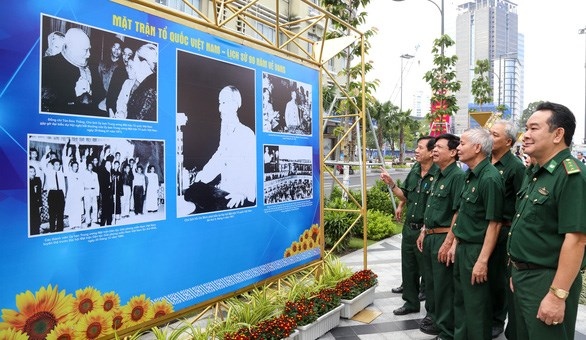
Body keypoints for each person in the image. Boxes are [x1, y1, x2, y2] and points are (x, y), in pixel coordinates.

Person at [508, 101, 586, 340]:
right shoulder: (537, 174)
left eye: (534, 128)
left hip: (547, 281)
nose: (526, 135)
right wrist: (517, 269)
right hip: (523, 277)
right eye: (526, 129)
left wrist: (557, 295)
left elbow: (577, 240)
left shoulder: (570, 175)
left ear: (558, 134)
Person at [451, 127, 504, 340]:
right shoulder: (470, 175)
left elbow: (495, 224)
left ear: (477, 147)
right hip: (464, 247)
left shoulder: (489, 178)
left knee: (476, 308)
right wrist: (454, 243)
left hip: (477, 250)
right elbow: (464, 215)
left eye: (462, 143)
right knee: (461, 302)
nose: (458, 147)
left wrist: (482, 261)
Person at [380, 136, 439, 318]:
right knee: (409, 267)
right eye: (417, 147)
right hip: (409, 229)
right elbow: (404, 195)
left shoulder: (439, 174)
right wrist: (391, 184)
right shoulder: (415, 170)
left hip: (427, 231)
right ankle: (411, 303)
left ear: (431, 152)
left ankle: (432, 311)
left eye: (421, 148)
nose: (417, 150)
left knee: (428, 274)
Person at [417, 133, 466, 339]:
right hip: (430, 235)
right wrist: (423, 231)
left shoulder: (457, 176)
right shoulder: (439, 174)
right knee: (431, 282)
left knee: (444, 286)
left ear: (453, 152)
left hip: (443, 236)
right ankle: (434, 318)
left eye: (440, 147)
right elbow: (432, 206)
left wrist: (449, 241)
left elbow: (458, 211)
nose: (434, 150)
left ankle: (446, 330)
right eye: (434, 147)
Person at [488, 120, 526, 339]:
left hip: (503, 229)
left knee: (499, 278)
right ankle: (487, 314)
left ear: (508, 141)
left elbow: (520, 202)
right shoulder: (486, 161)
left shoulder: (515, 167)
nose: (489, 137)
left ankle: (497, 320)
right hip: (485, 228)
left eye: (494, 135)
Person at [191, 85, 256, 211]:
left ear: (235, 104)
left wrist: (242, 193)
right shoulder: (225, 132)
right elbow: (219, 157)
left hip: (239, 199)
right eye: (219, 103)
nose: (220, 108)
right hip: (225, 193)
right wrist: (201, 176)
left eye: (224, 102)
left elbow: (251, 168)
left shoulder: (246, 133)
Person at [41, 28, 105, 116]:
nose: (89, 54)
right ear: (70, 48)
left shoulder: (92, 67)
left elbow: (101, 95)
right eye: (85, 50)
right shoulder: (47, 65)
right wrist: (75, 96)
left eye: (89, 49)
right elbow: (45, 107)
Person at [126, 43, 157, 121]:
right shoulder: (146, 83)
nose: (134, 68)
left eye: (136, 62)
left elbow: (138, 120)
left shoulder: (150, 89)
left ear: (146, 64)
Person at [107, 46, 134, 118]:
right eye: (124, 54)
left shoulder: (136, 74)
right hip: (115, 110)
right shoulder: (118, 70)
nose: (126, 57)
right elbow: (111, 93)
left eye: (129, 55)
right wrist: (110, 110)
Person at [43, 159, 66, 233]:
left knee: (60, 213)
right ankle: (52, 230)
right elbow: (42, 164)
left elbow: (63, 186)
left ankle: (60, 230)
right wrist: (47, 156)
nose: (58, 166)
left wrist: (64, 195)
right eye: (56, 164)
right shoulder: (48, 172)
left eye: (59, 165)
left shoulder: (61, 174)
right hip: (52, 193)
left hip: (60, 193)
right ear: (52, 165)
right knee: (52, 213)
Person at [83, 161, 100, 227]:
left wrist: (97, 193)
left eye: (91, 166)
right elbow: (82, 184)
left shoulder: (95, 174)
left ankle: (95, 220)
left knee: (95, 206)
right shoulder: (84, 174)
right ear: (87, 166)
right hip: (87, 191)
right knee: (88, 207)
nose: (90, 167)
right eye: (89, 166)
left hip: (94, 191)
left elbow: (97, 184)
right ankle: (88, 221)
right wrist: (83, 193)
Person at [98, 159, 114, 226]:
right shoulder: (103, 173)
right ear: (105, 165)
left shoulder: (111, 172)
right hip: (105, 193)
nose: (109, 166)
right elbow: (102, 184)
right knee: (104, 209)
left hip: (110, 193)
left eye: (110, 164)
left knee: (110, 209)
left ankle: (109, 223)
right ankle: (102, 224)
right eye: (107, 164)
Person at [29, 166, 43, 236]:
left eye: (33, 171)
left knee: (36, 220)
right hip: (28, 204)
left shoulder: (37, 180)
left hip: (36, 204)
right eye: (30, 172)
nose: (33, 173)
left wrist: (40, 205)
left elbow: (39, 193)